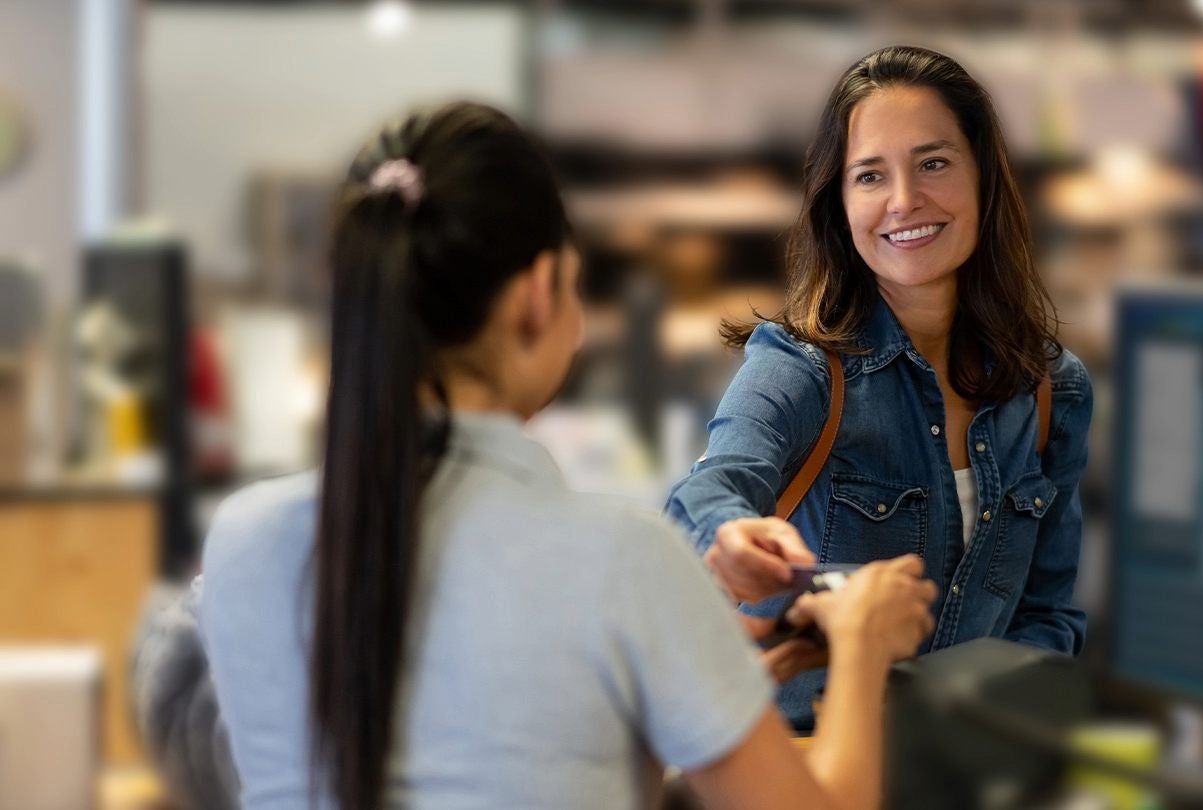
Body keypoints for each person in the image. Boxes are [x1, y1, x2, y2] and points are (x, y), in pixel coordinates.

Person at [197, 101, 937, 810]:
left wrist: (708, 680)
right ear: (537, 293)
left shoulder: (241, 541)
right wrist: (862, 647)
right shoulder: (623, 558)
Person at [665, 45, 1094, 729]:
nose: (903, 200)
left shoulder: (1053, 392)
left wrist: (987, 727)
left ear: (983, 175)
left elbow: (1048, 615)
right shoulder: (802, 367)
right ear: (840, 204)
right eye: (869, 176)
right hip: (808, 760)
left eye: (933, 163)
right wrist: (730, 538)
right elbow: (708, 490)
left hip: (967, 763)